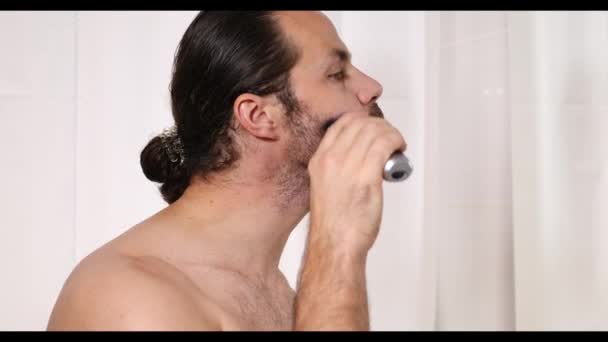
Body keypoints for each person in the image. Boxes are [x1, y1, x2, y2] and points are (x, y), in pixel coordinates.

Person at [46, 10, 407, 331]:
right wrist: (337, 244)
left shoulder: (281, 295)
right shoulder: (133, 297)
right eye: (336, 73)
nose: (372, 88)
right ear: (258, 116)